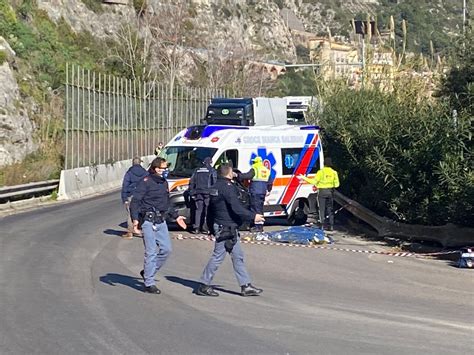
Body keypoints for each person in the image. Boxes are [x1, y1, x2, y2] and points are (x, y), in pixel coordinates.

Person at [196, 164, 265, 297]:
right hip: (225, 228)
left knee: (238, 256)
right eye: (232, 172)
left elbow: (209, 210)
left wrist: (210, 227)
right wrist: (253, 216)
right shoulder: (228, 188)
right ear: (229, 173)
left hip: (225, 226)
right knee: (218, 257)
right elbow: (236, 207)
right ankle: (203, 285)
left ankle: (245, 285)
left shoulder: (215, 187)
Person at [130, 157, 187, 294]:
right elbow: (135, 202)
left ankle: (148, 271)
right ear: (156, 169)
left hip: (161, 221)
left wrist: (176, 216)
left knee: (166, 250)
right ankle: (149, 283)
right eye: (164, 168)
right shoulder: (146, 182)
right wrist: (135, 220)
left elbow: (167, 203)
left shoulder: (163, 182)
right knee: (151, 252)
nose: (166, 170)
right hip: (148, 221)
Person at [297, 158, 340, 231]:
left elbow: (314, 182)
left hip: (322, 192)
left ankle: (322, 226)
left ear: (324, 164)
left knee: (321, 209)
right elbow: (337, 184)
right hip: (330, 192)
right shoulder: (334, 172)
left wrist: (304, 178)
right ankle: (331, 226)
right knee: (330, 209)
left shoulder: (320, 172)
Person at [121, 156, 148, 239]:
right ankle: (141, 230)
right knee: (141, 212)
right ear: (140, 163)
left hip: (131, 194)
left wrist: (124, 198)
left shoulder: (129, 173)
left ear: (132, 163)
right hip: (142, 194)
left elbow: (125, 185)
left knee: (130, 213)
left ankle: (130, 232)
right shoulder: (145, 172)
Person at [188, 157, 217, 234]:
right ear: (210, 162)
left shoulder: (197, 170)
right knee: (207, 211)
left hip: (198, 192)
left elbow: (191, 181)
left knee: (198, 210)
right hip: (208, 193)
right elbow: (214, 182)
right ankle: (206, 228)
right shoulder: (212, 170)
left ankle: (196, 228)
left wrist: (191, 192)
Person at [248, 156, 273, 232]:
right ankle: (259, 225)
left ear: (256, 162)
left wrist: (237, 175)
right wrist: (268, 190)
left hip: (255, 191)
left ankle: (258, 226)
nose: (253, 163)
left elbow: (247, 175)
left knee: (256, 209)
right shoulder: (266, 170)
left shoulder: (255, 169)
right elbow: (270, 182)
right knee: (260, 209)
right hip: (262, 192)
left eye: (254, 162)